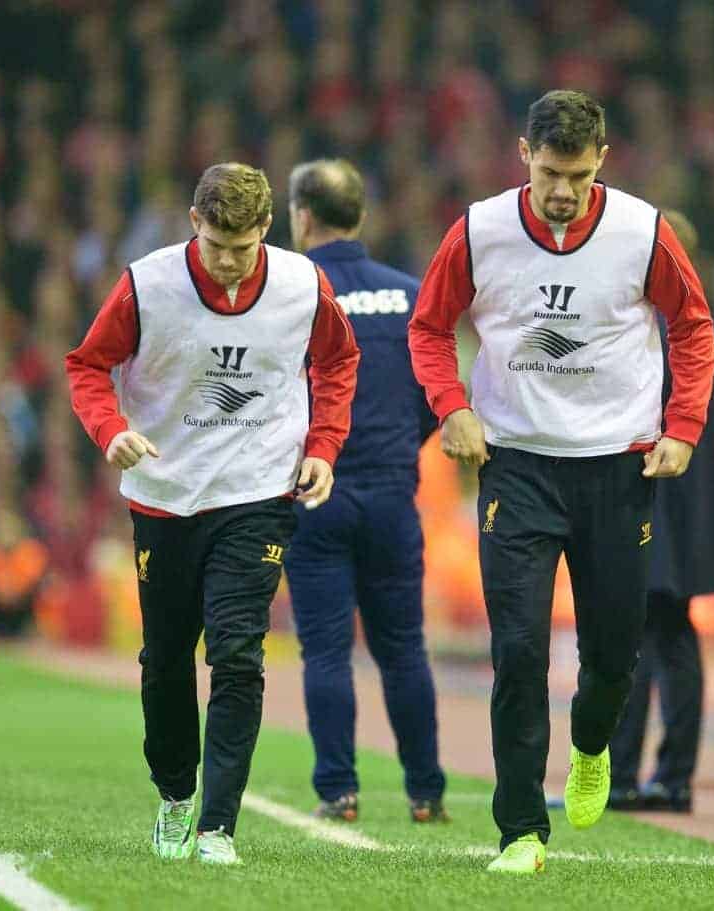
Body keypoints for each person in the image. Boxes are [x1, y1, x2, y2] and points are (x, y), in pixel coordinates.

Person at [408, 90, 714, 874]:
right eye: (550, 171)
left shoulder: (643, 231)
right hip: (516, 464)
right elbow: (430, 327)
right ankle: (518, 831)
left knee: (614, 653)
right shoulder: (479, 230)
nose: (562, 190)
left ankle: (590, 748)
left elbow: (694, 325)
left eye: (577, 174)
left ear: (602, 160)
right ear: (523, 154)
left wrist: (683, 427)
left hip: (618, 466)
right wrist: (451, 408)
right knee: (517, 650)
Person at [65, 162, 360, 866]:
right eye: (216, 245)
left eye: (243, 247)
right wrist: (110, 431)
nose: (228, 262)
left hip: (257, 493)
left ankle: (218, 825)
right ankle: (175, 794)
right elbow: (86, 366)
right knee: (165, 661)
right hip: (164, 494)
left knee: (237, 652)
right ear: (194, 223)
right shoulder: (147, 283)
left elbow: (338, 361)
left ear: (266, 229)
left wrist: (323, 445)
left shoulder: (301, 284)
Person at [284, 158, 447, 824]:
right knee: (404, 647)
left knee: (326, 649)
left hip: (314, 491)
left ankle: (339, 791)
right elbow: (440, 393)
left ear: (301, 216)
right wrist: (402, 445)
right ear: (361, 215)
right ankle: (426, 793)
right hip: (390, 491)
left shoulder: (289, 294)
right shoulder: (411, 295)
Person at [607, 209, 714, 814]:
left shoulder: (661, 315)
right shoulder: (710, 314)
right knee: (671, 631)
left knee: (639, 632)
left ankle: (634, 776)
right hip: (695, 494)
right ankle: (668, 776)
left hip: (659, 490)